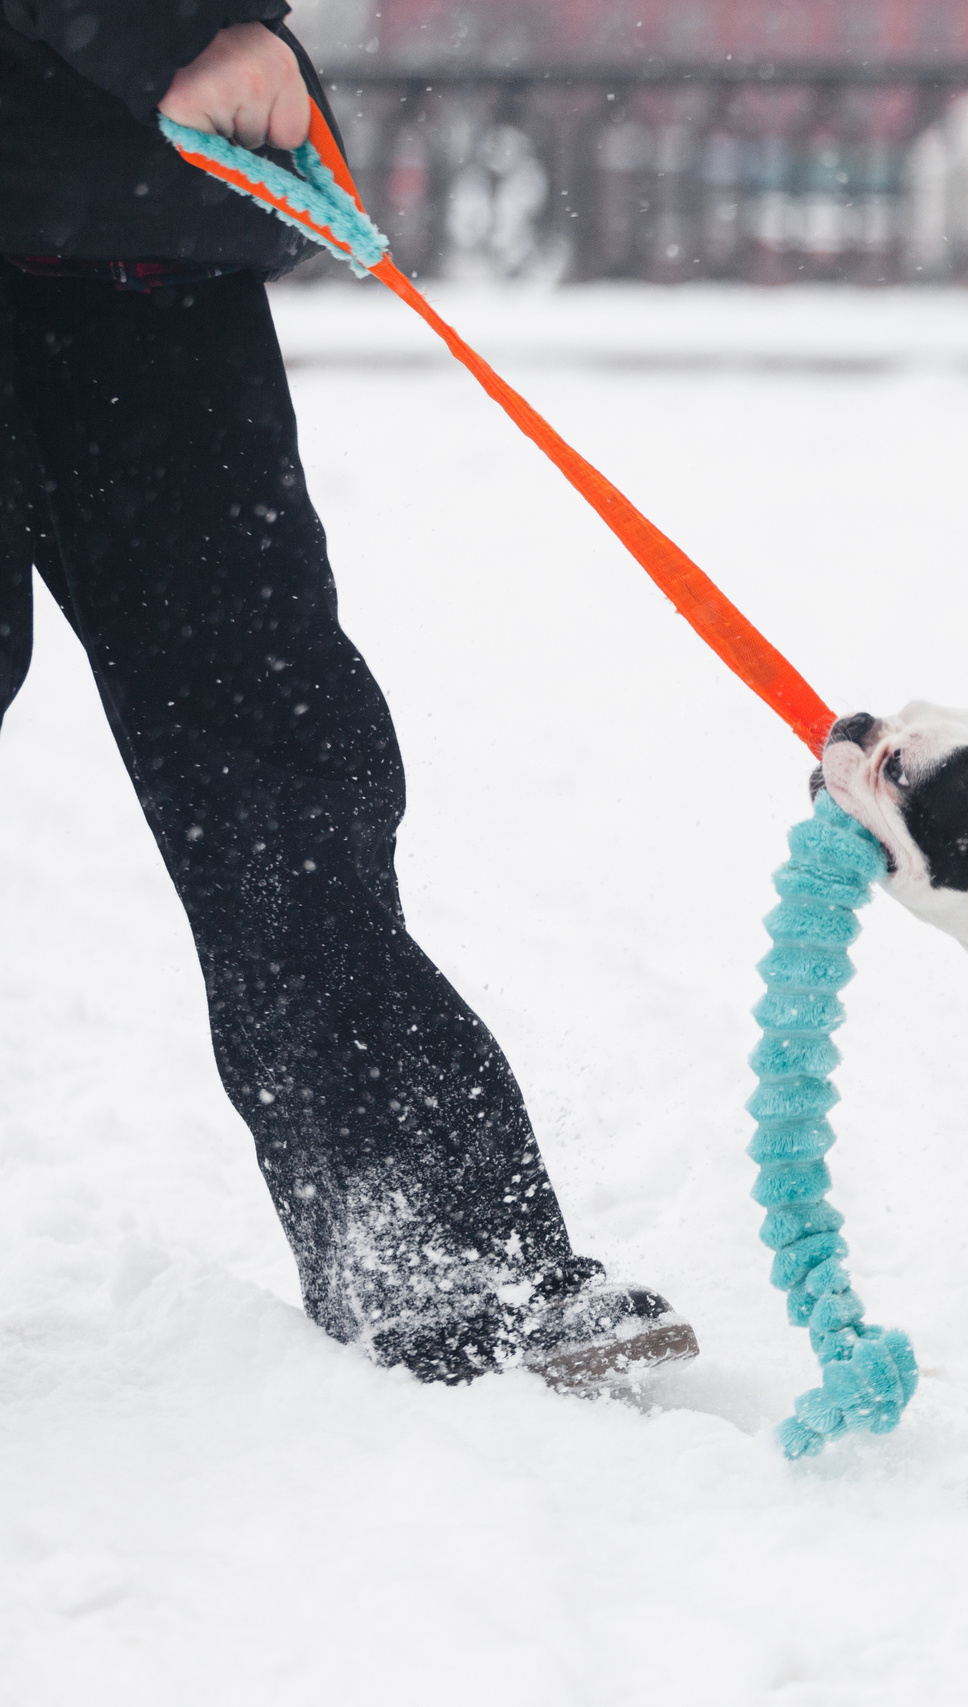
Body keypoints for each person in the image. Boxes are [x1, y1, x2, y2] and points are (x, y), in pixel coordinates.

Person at [1, 4, 696, 1388]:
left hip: (135, 246)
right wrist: (170, 34)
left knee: (274, 753)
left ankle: (435, 1245)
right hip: (118, 167)